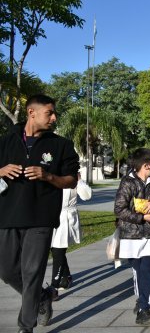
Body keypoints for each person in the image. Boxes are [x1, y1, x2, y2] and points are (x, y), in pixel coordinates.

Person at [0, 94, 79, 332]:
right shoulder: (4, 142)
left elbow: (72, 180)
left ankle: (26, 325)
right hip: (7, 216)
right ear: (31, 112)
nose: (54, 117)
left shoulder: (61, 145)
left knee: (32, 271)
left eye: (55, 113)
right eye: (50, 113)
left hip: (41, 219)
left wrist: (48, 176)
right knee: (6, 271)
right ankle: (43, 297)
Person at [114, 148, 150, 326]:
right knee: (138, 269)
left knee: (148, 269)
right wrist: (141, 217)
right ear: (145, 165)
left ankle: (144, 308)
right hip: (131, 234)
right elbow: (119, 209)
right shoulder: (127, 182)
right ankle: (141, 300)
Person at [50, 173, 93, 295]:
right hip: (49, 215)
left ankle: (54, 287)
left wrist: (79, 180)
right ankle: (66, 276)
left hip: (65, 217)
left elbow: (87, 195)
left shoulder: (72, 176)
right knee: (54, 250)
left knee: (58, 250)